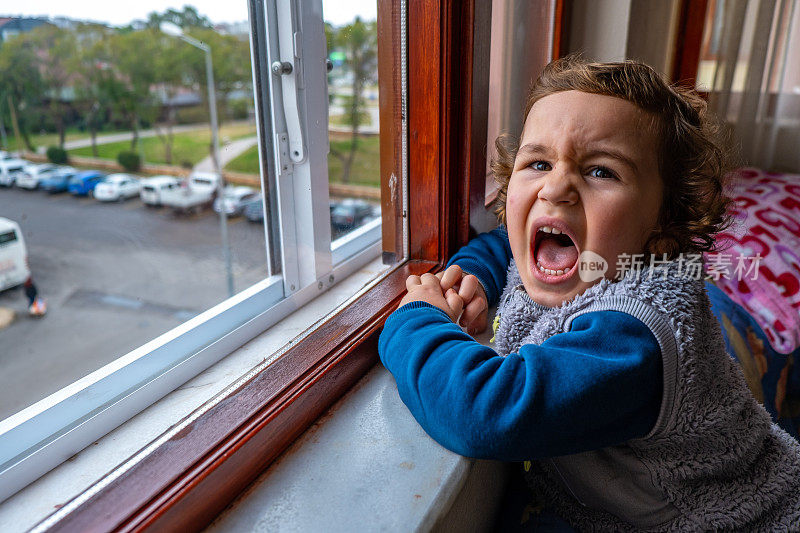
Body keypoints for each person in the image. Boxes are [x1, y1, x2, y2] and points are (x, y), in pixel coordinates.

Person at [378, 57, 800, 530]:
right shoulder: (579, 254)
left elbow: (486, 411)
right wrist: (473, 274)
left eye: (601, 172)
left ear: (665, 227)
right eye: (537, 163)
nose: (555, 187)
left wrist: (416, 318)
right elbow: (502, 243)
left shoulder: (636, 336)